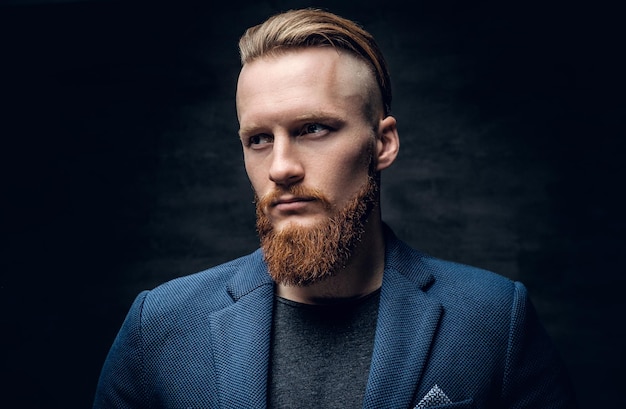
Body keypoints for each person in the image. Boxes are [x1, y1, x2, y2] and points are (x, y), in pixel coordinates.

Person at [93, 8, 577, 409]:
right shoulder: (159, 328)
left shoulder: (493, 321)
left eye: (313, 129)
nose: (281, 167)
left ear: (382, 143)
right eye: (259, 139)